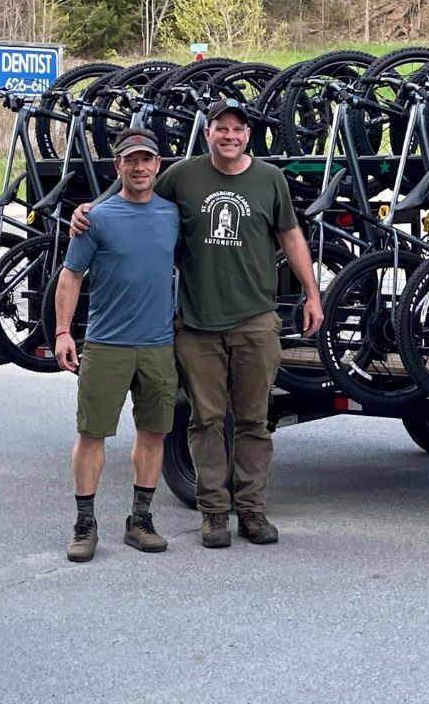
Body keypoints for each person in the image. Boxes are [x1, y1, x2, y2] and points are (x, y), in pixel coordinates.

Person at [73, 97, 323, 548]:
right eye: (220, 128)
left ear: (248, 135)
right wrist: (91, 208)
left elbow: (290, 235)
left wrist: (312, 293)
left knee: (253, 420)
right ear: (207, 133)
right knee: (206, 421)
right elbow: (136, 187)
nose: (230, 135)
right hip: (197, 324)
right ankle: (213, 513)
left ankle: (252, 511)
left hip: (255, 319)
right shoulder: (183, 175)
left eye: (238, 129)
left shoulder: (269, 180)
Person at [53, 126, 179, 563]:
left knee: (154, 433)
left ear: (158, 166)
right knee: (91, 435)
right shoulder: (96, 217)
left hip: (158, 345)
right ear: (118, 166)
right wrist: (63, 332)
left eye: (147, 159)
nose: (140, 167)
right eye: (131, 160)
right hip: (106, 344)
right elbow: (70, 277)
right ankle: (84, 525)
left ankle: (139, 521)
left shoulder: (172, 214)